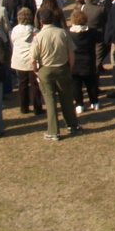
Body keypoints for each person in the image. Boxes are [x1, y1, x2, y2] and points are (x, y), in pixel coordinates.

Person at [32, 11, 80, 140]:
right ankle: (72, 125)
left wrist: (35, 70)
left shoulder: (38, 36)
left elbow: (33, 58)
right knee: (66, 98)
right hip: (62, 68)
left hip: (45, 70)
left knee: (50, 101)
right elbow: (71, 54)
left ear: (41, 22)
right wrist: (69, 68)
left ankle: (53, 131)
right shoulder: (62, 33)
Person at [8, 8, 43, 117]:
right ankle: (37, 108)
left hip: (19, 60)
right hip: (31, 60)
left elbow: (13, 41)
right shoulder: (35, 31)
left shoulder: (14, 30)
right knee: (35, 85)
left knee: (22, 84)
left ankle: (24, 107)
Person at [67, 8, 102, 114]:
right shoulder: (92, 32)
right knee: (91, 83)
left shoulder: (68, 34)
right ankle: (94, 102)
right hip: (89, 61)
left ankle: (79, 105)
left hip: (74, 63)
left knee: (76, 85)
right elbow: (100, 39)